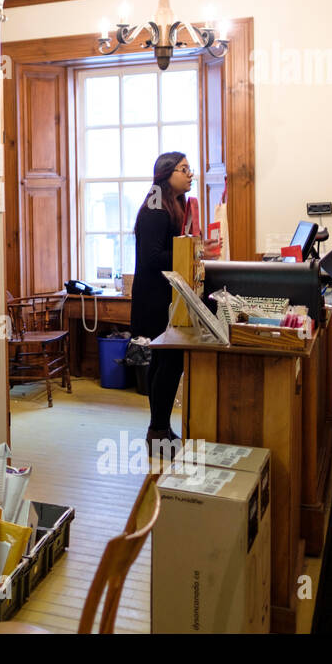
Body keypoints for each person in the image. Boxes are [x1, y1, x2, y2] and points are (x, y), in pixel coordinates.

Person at [131, 151, 193, 448]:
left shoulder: (174, 204)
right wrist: (190, 253)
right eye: (184, 169)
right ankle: (157, 430)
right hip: (155, 297)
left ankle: (161, 428)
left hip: (164, 295)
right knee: (168, 362)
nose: (190, 173)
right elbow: (151, 257)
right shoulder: (156, 209)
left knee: (165, 361)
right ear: (167, 174)